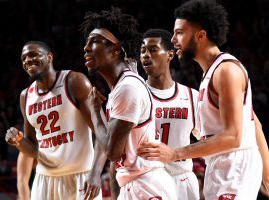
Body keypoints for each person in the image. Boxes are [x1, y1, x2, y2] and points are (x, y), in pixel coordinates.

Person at [137, 0, 269, 199]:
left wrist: (175, 154)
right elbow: (254, 123)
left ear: (201, 35)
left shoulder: (226, 71)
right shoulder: (211, 72)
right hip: (220, 165)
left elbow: (233, 137)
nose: (173, 39)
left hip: (234, 166)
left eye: (180, 32)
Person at [81, 7, 177, 200]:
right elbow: (110, 138)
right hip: (137, 183)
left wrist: (94, 111)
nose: (86, 48)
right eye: (86, 43)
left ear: (115, 49)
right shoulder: (122, 86)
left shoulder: (128, 88)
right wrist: (95, 173)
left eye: (95, 42)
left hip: (148, 186)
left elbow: (112, 152)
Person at [5, 41, 106, 200]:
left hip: (81, 175)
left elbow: (102, 132)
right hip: (44, 179)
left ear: (49, 57)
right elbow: (33, 150)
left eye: (33, 55)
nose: (28, 60)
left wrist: (95, 173)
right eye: (24, 58)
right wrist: (18, 140)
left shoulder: (74, 81)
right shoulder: (26, 96)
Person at [140, 28, 200, 200]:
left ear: (170, 55)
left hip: (182, 180)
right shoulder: (135, 94)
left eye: (152, 50)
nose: (145, 55)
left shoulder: (191, 97)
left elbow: (208, 144)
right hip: (147, 181)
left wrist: (176, 153)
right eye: (142, 51)